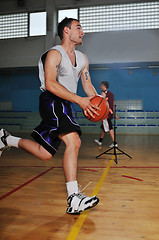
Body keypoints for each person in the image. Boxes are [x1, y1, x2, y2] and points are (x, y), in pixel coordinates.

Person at [0, 17, 100, 214]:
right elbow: (51, 83)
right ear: (66, 31)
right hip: (52, 100)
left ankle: (6, 139)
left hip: (67, 104)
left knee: (45, 153)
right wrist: (80, 100)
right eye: (78, 27)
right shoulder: (54, 54)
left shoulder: (82, 58)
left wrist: (100, 103)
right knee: (74, 141)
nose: (82, 32)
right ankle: (73, 198)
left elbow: (87, 85)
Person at [94, 81, 119, 147]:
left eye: (101, 85)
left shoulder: (103, 94)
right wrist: (114, 114)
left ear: (104, 86)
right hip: (110, 114)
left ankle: (115, 143)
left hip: (106, 114)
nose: (100, 87)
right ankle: (100, 140)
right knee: (104, 127)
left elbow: (101, 104)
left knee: (110, 128)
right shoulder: (111, 94)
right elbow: (112, 105)